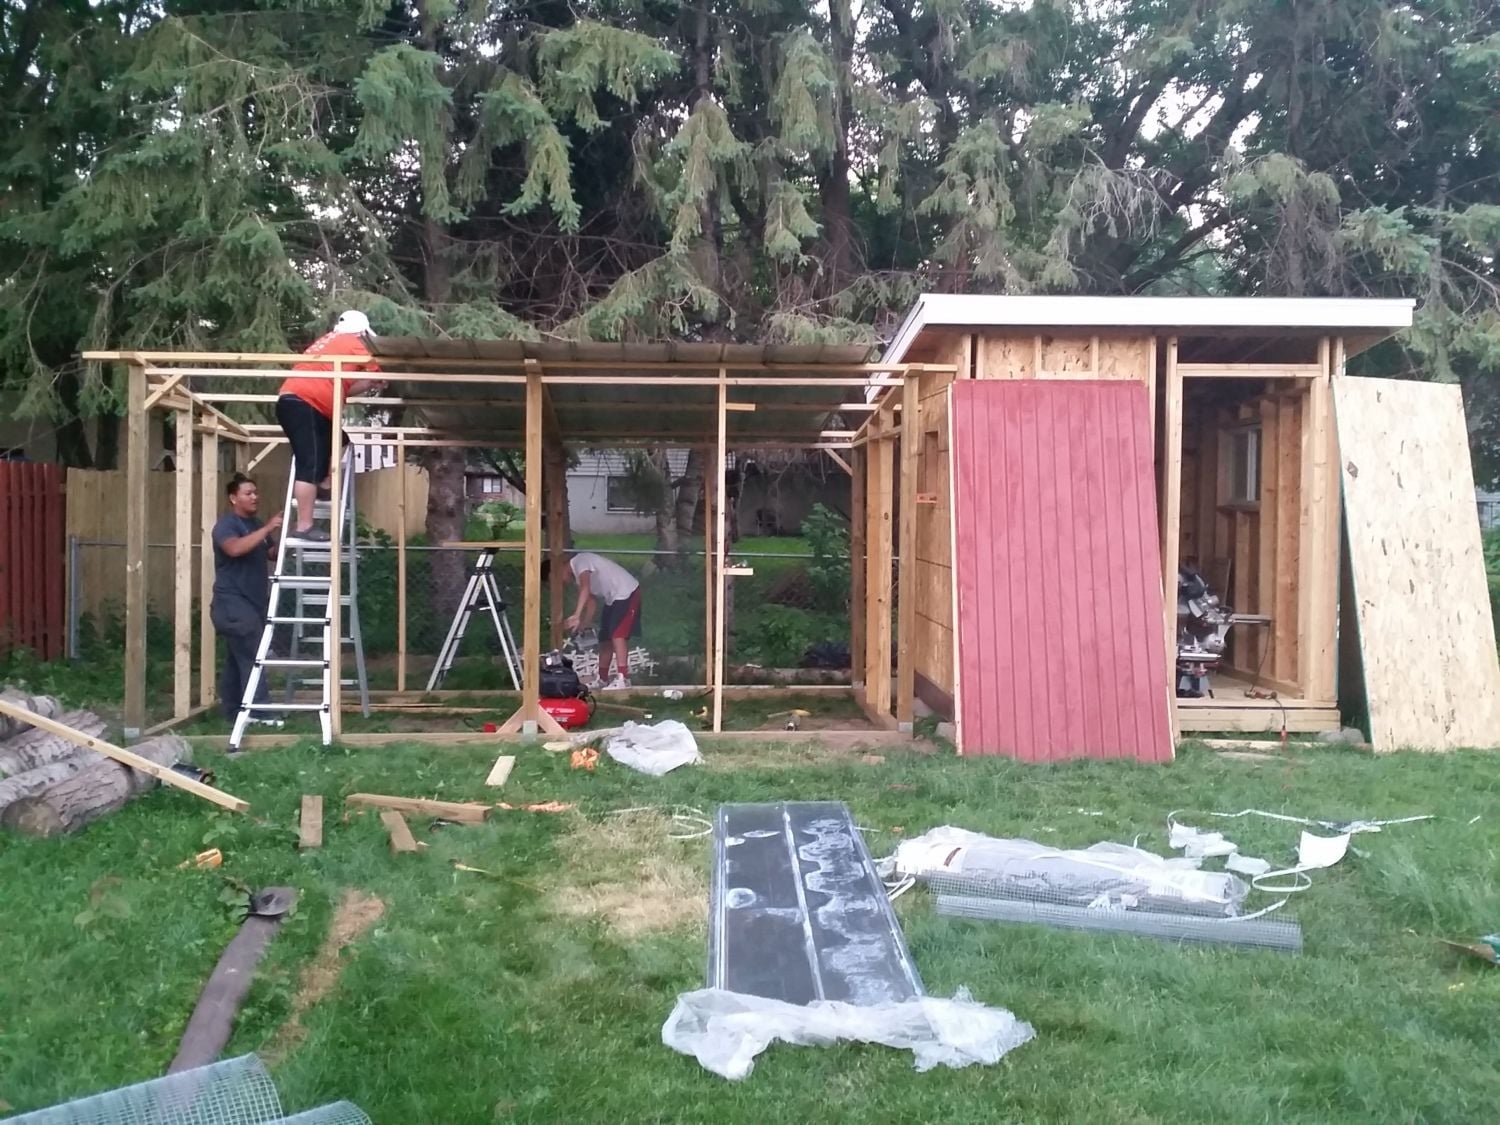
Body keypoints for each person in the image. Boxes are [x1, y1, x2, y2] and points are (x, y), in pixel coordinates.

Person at [275, 310, 385, 542]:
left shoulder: (329, 343)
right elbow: (378, 366)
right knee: (309, 464)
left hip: (303, 403)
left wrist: (369, 384)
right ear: (362, 332)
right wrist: (382, 377)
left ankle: (324, 484)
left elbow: (343, 389)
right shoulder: (354, 341)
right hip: (306, 404)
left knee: (341, 440)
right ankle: (304, 526)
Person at [211, 473, 281, 730]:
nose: (254, 497)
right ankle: (260, 711)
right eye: (248, 493)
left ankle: (231, 710)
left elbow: (271, 552)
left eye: (256, 492)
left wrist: (290, 535)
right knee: (253, 654)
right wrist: (267, 528)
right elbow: (235, 549)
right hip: (231, 603)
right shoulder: (226, 525)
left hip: (251, 604)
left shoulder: (255, 524)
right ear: (233, 498)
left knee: (237, 657)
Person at [542, 552, 642, 689]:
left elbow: (585, 588)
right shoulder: (578, 577)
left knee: (617, 635)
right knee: (605, 639)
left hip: (627, 592)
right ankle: (603, 679)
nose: (560, 583)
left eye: (555, 579)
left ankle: (623, 679)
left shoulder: (579, 561)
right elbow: (591, 602)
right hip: (612, 599)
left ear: (557, 569)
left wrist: (576, 615)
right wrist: (585, 623)